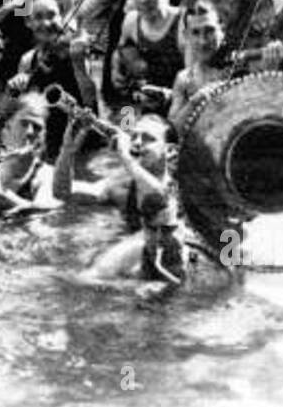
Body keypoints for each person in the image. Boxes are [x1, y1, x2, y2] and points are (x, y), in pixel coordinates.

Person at [52, 110, 191, 296]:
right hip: (143, 266)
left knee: (83, 277)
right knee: (82, 278)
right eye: (134, 136)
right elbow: (62, 193)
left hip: (180, 269)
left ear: (170, 150)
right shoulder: (121, 186)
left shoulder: (186, 187)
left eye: (148, 138)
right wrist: (68, 149)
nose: (138, 143)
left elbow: (160, 197)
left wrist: (125, 156)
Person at [7, 0, 98, 155]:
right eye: (38, 17)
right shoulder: (27, 60)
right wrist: (15, 89)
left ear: (62, 17)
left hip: (85, 143)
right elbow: (24, 112)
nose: (46, 23)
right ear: (28, 22)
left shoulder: (76, 49)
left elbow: (91, 101)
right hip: (50, 145)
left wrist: (79, 63)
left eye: (52, 15)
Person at [112, 0, 185, 115]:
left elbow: (199, 83)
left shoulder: (183, 24)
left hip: (183, 108)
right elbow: (120, 50)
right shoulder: (131, 21)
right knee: (125, 132)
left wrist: (168, 95)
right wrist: (116, 69)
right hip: (146, 105)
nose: (143, 0)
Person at [167, 0, 230, 130]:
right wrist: (196, 100)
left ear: (222, 29)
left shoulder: (237, 68)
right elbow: (173, 129)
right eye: (195, 33)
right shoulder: (184, 79)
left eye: (209, 31)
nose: (203, 41)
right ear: (186, 36)